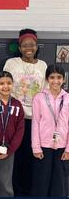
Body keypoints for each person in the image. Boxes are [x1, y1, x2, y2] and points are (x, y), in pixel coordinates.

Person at [3, 28, 47, 196]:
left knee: (31, 157)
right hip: (14, 117)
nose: (29, 48)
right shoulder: (12, 63)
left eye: (32, 45)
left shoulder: (43, 65)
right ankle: (14, 190)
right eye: (25, 45)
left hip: (35, 119)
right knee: (13, 156)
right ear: (20, 47)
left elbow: (45, 91)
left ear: (37, 47)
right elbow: (4, 86)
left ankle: (28, 191)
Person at [31, 64, 69, 197]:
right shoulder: (39, 97)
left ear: (64, 79)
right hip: (43, 145)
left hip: (62, 146)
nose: (55, 81)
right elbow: (35, 122)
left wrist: (68, 149)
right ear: (47, 79)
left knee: (60, 181)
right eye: (52, 77)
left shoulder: (68, 98)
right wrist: (36, 147)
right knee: (42, 180)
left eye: (59, 77)